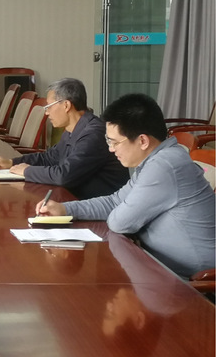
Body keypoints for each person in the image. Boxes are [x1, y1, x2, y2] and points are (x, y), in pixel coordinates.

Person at [36, 93, 215, 278]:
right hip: (157, 267)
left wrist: (129, 215)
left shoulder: (164, 166)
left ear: (143, 141)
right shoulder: (156, 159)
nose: (111, 149)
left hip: (192, 282)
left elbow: (119, 222)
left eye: (114, 142)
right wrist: (65, 209)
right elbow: (115, 201)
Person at [0, 78, 128, 199]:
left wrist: (26, 171)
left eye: (49, 106)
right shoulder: (72, 129)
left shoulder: (94, 133)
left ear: (66, 105)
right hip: (75, 199)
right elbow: (49, 158)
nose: (46, 113)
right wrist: (11, 163)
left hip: (99, 210)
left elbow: (64, 176)